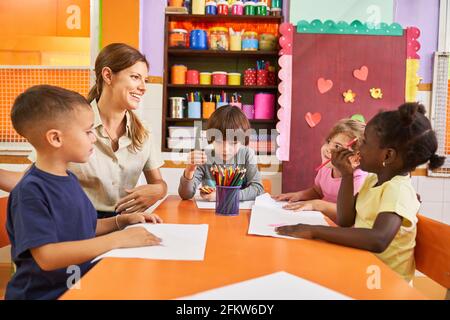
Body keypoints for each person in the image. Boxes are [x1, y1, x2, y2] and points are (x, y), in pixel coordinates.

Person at [6, 85, 163, 300]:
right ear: (55, 138)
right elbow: (47, 256)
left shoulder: (68, 179)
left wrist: (122, 221)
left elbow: (84, 227)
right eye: (88, 131)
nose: (94, 138)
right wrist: (118, 240)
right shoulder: (30, 191)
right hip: (45, 295)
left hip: (79, 286)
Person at [276, 103, 445, 282]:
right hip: (363, 267)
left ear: (387, 156)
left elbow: (378, 239)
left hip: (384, 282)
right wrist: (347, 175)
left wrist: (314, 231)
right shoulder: (373, 180)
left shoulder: (398, 190)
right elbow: (345, 219)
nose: (357, 148)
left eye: (364, 142)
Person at [0, 43, 167, 218]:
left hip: (126, 221)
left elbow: (158, 183)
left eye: (145, 80)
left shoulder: (144, 131)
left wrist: (158, 190)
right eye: (135, 77)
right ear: (108, 75)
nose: (143, 87)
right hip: (78, 224)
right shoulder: (71, 123)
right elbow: (31, 180)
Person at [273, 119, 367, 222]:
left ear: (356, 159)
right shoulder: (326, 169)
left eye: (337, 147)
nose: (328, 149)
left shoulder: (359, 180)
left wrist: (317, 205)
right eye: (329, 142)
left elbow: (349, 215)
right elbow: (317, 191)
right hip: (322, 221)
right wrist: (299, 195)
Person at [178, 105, 264, 201]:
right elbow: (185, 195)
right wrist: (189, 170)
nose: (226, 149)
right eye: (219, 142)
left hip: (240, 213)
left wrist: (223, 196)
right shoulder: (205, 156)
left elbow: (258, 189)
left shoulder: (247, 154)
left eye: (234, 143)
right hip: (209, 214)